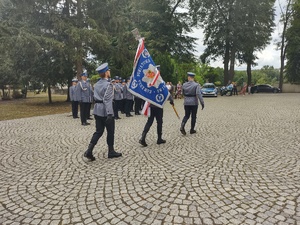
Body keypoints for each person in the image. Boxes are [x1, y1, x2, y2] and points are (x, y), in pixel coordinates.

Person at [84, 63, 122, 161]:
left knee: (98, 131)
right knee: (110, 132)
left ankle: (89, 150)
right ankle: (111, 151)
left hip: (97, 110)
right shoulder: (108, 85)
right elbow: (107, 100)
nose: (109, 72)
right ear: (106, 73)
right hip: (106, 111)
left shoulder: (97, 84)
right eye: (108, 71)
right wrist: (110, 113)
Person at [139, 65, 174, 147]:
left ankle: (143, 137)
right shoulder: (160, 81)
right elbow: (165, 92)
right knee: (159, 122)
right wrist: (171, 100)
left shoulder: (149, 81)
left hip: (150, 105)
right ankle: (159, 139)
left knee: (149, 122)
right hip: (158, 105)